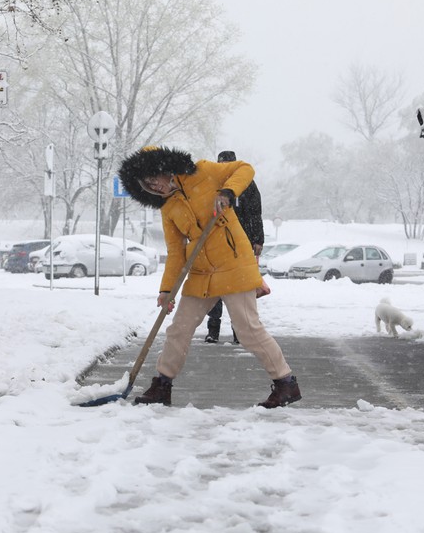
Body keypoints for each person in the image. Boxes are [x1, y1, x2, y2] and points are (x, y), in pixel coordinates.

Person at [117, 146, 300, 408]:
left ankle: (286, 383)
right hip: (202, 273)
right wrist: (166, 290)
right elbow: (176, 253)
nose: (153, 187)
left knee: (248, 330)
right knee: (179, 330)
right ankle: (162, 385)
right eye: (146, 186)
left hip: (234, 265)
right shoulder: (169, 208)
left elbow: (244, 168)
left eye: (152, 179)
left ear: (161, 169)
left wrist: (228, 191)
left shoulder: (204, 171)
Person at [205, 150, 266, 345]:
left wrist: (258, 240)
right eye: (221, 164)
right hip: (216, 244)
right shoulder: (212, 184)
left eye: (227, 164)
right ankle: (212, 330)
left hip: (242, 243)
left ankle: (238, 331)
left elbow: (256, 213)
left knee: (238, 290)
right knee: (215, 288)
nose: (224, 168)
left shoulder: (247, 185)